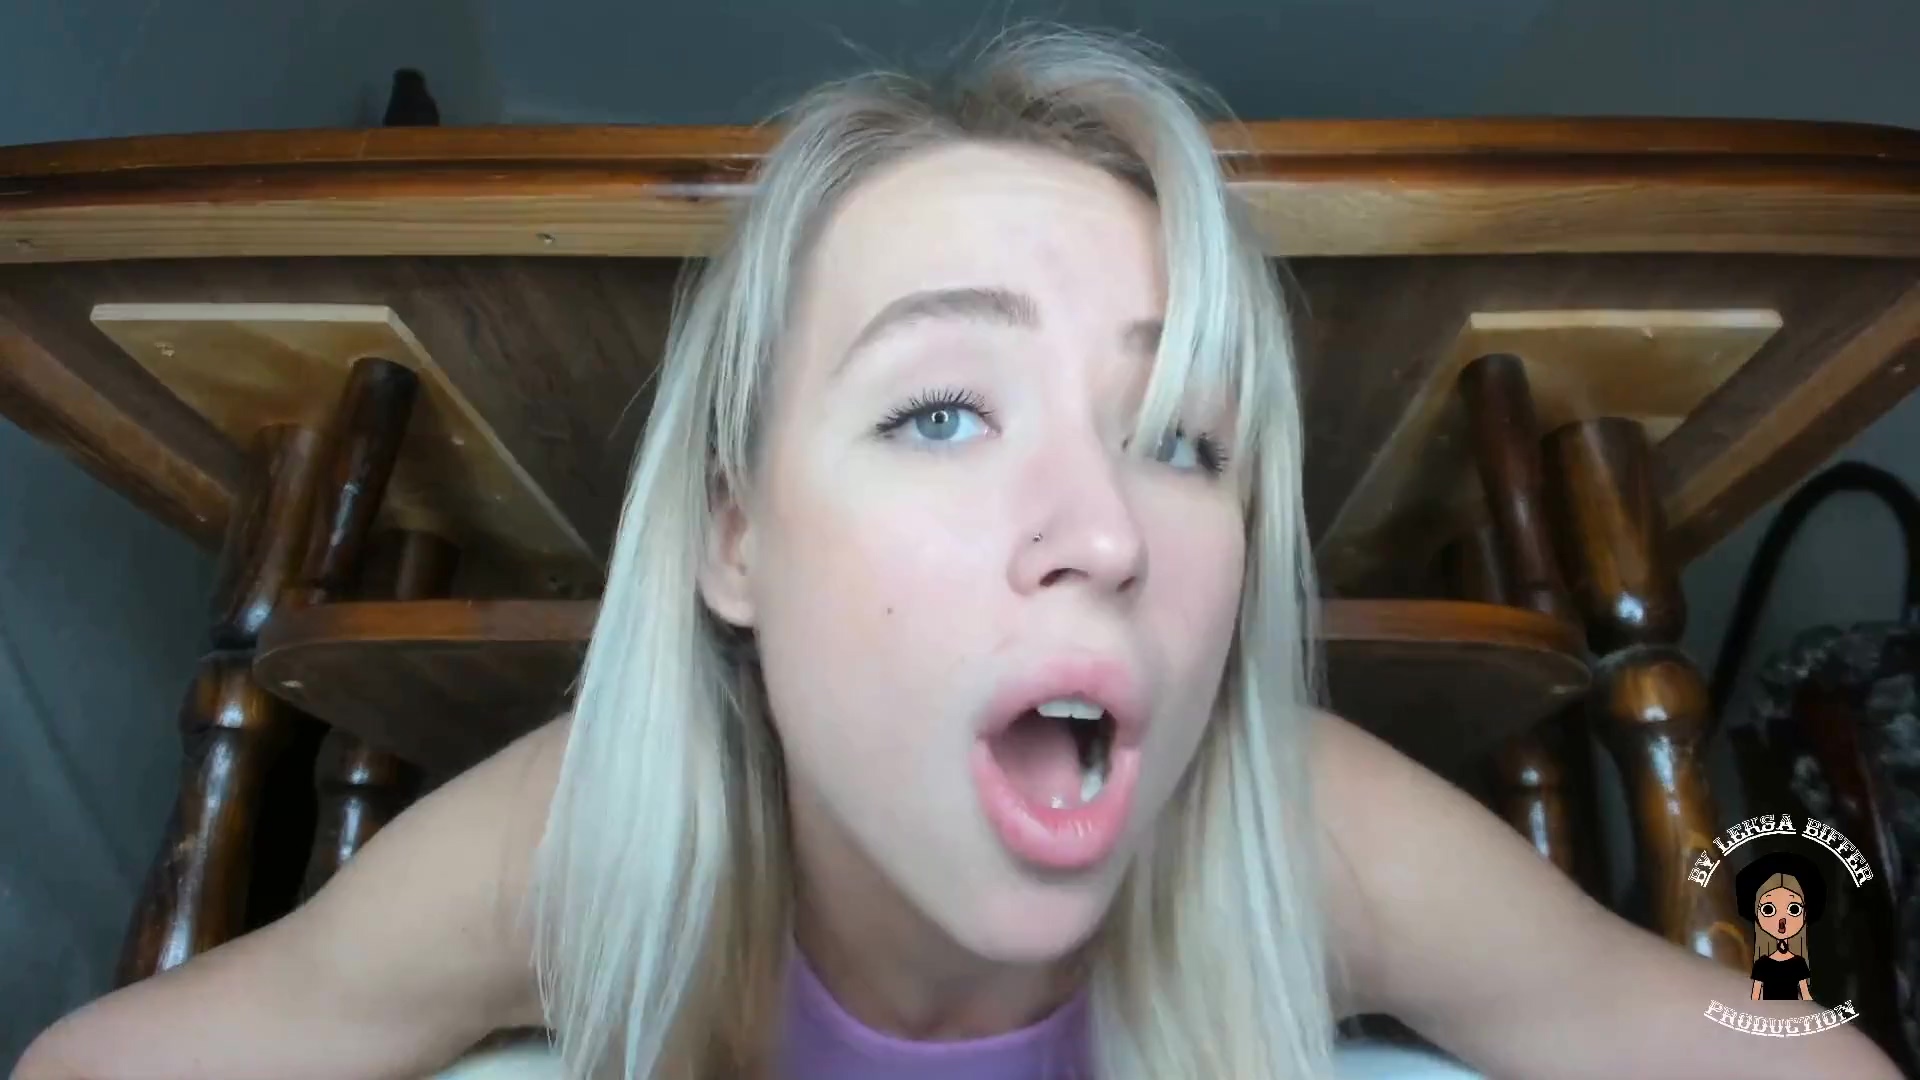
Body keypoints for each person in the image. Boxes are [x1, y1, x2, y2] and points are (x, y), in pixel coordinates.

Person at [13, 26, 1903, 1080]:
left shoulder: (1302, 826)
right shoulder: (587, 843)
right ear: (734, 540)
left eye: (1181, 440)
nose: (1107, 532)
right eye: (937, 412)